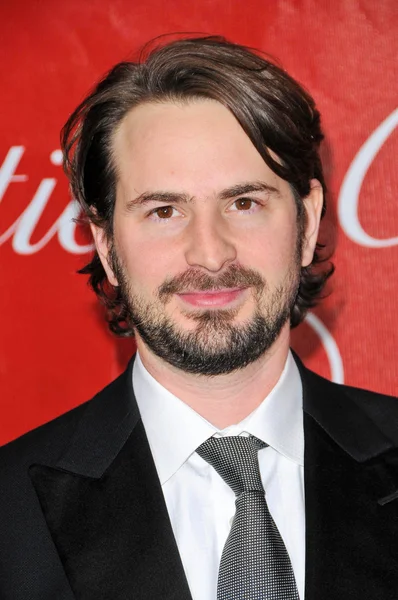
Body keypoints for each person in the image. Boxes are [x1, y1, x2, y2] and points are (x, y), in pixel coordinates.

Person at [1, 36, 398, 600]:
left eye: (244, 203)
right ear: (107, 245)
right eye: (164, 211)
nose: (210, 254)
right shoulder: (10, 516)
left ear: (307, 224)